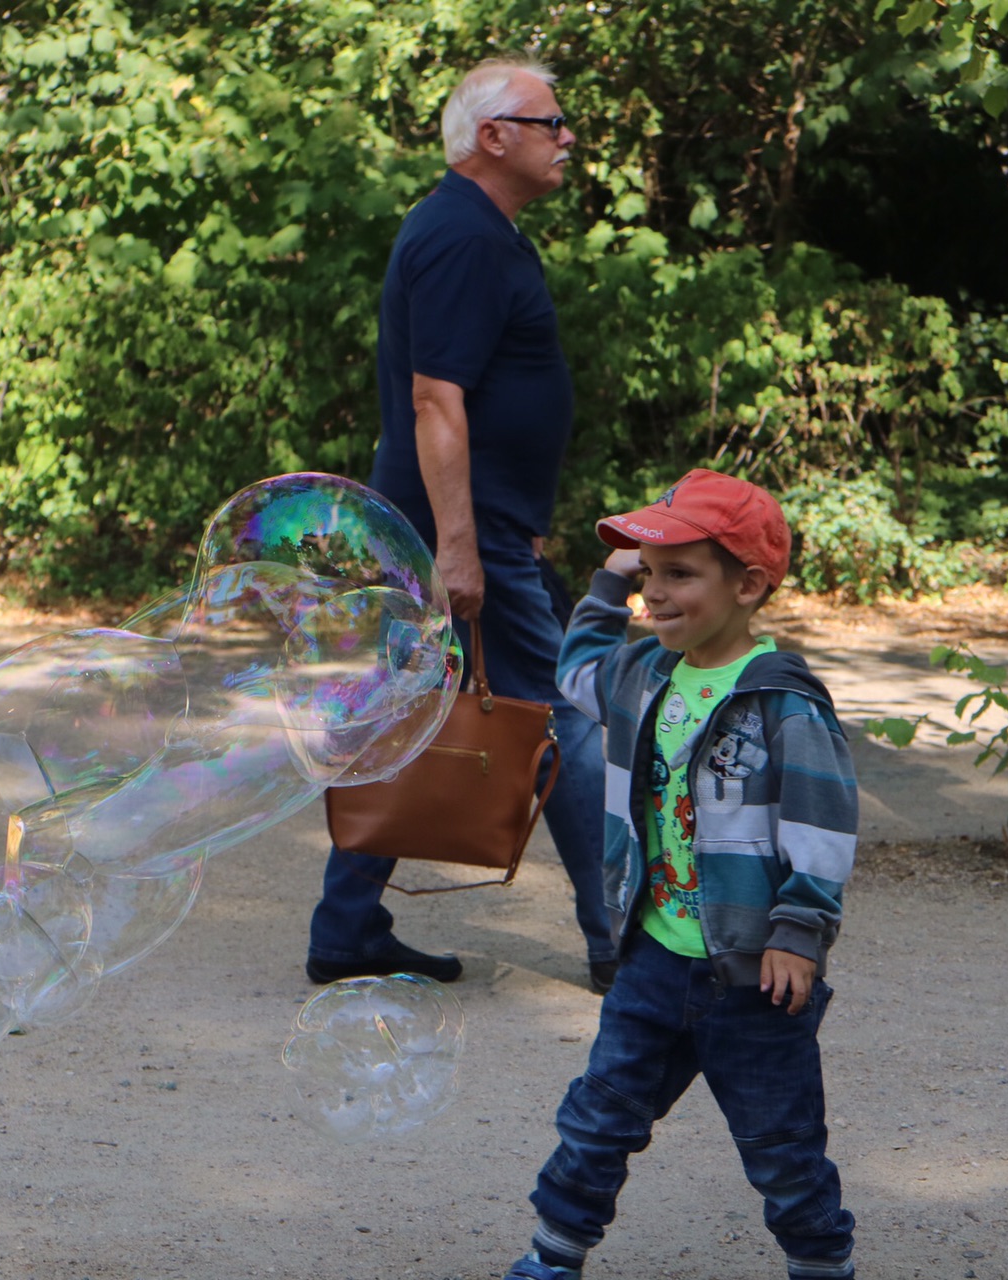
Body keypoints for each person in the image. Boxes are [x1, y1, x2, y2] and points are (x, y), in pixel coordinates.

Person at [306, 55, 616, 992]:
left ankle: (348, 925)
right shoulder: (464, 237)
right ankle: (627, 943)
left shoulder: (479, 231)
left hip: (474, 523)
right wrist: (458, 548)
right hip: (462, 529)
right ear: (494, 136)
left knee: (408, 715)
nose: (569, 138)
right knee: (565, 715)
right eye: (552, 122)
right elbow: (435, 401)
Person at [503, 468, 859, 1280]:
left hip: (754, 981)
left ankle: (822, 1262)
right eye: (649, 575)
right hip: (653, 960)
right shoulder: (643, 675)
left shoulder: (782, 702)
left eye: (680, 574)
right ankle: (552, 1258)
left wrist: (799, 931)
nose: (655, 596)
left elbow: (823, 824)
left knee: (782, 1150)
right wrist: (606, 582)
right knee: (598, 1120)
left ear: (749, 584)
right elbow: (575, 666)